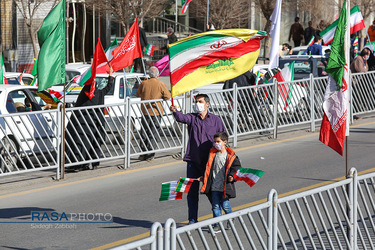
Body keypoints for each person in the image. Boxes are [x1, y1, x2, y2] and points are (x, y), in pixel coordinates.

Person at [170, 94, 225, 224]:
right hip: (193, 161)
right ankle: (192, 220)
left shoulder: (216, 120)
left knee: (211, 192)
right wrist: (175, 111)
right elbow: (181, 118)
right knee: (192, 193)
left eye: (200, 101)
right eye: (196, 101)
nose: (197, 104)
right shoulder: (192, 118)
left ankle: (218, 219)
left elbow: (223, 138)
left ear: (207, 104)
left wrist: (221, 152)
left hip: (210, 162)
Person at [65, 66, 114, 171]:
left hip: (82, 124)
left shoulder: (85, 94)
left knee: (80, 143)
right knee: (92, 143)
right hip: (94, 124)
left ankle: (79, 164)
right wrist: (110, 76)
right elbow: (108, 87)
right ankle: (91, 163)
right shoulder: (98, 93)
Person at [199, 131, 240, 227]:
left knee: (225, 205)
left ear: (225, 142)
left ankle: (231, 217)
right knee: (215, 206)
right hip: (214, 186)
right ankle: (217, 224)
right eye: (215, 142)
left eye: (218, 141)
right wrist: (203, 176)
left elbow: (236, 168)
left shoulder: (231, 156)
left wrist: (232, 176)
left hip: (224, 187)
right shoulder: (212, 154)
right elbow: (207, 168)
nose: (216, 144)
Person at [136, 66, 171, 161]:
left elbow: (138, 94)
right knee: (153, 133)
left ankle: (143, 153)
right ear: (157, 75)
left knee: (144, 132)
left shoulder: (144, 83)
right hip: (156, 112)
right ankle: (150, 154)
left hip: (145, 111)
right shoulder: (161, 84)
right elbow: (168, 96)